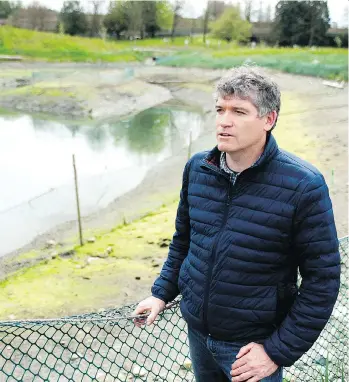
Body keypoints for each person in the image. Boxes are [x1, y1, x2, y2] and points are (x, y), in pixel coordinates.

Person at [133, 66, 341, 382]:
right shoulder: (198, 169)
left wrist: (276, 351)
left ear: (268, 120)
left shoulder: (304, 185)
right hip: (198, 333)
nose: (224, 120)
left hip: (251, 347)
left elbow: (322, 280)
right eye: (220, 109)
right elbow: (184, 242)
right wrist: (161, 293)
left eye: (239, 111)